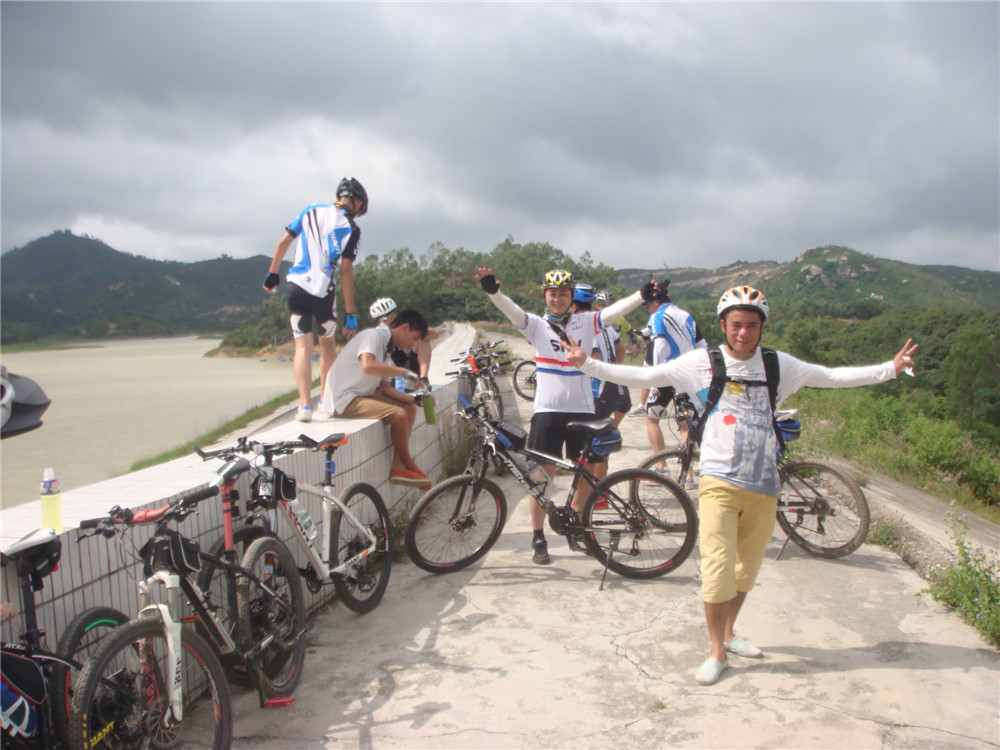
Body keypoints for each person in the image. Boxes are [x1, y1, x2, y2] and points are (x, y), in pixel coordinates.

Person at [563, 284, 918, 686]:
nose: (744, 333)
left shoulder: (777, 365)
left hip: (765, 484)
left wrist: (889, 369)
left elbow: (832, 376)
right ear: (723, 325)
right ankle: (716, 650)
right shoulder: (701, 363)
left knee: (745, 570)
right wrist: (589, 366)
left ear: (762, 327)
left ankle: (730, 633)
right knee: (717, 567)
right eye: (736, 325)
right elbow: (644, 375)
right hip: (718, 480)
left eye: (751, 325)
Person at [475, 267, 654, 565]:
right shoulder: (536, 326)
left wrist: (640, 296)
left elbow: (613, 312)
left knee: (587, 472)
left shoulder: (587, 321)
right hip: (547, 411)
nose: (557, 299)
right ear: (545, 296)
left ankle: (578, 519)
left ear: (571, 296)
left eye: (563, 293)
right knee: (541, 477)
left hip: (582, 410)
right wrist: (494, 292)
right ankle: (538, 536)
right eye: (552, 293)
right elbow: (513, 311)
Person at [263, 177, 368, 423]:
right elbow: (345, 271)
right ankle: (324, 401)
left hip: (296, 286)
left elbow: (283, 242)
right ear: (357, 203)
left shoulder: (310, 210)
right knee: (327, 345)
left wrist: (272, 274)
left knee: (302, 347)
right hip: (323, 292)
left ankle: (304, 406)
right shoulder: (352, 229)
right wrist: (350, 313)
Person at [328, 308, 433, 490]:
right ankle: (409, 465)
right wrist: (402, 372)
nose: (412, 345)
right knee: (399, 415)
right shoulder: (373, 335)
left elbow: (386, 389)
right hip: (343, 400)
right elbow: (368, 366)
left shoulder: (386, 351)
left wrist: (416, 400)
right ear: (405, 328)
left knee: (409, 408)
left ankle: (399, 465)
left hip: (361, 395)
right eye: (414, 338)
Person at [643, 279, 707, 478]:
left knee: (651, 418)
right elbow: (703, 346)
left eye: (647, 305)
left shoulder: (658, 315)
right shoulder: (688, 316)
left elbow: (660, 345)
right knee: (686, 424)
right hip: (688, 375)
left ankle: (661, 466)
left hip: (668, 374)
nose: (648, 309)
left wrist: (654, 376)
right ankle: (688, 473)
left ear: (654, 302)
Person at [369, 297, 440, 390]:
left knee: (421, 338)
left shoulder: (407, 325)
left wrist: (415, 335)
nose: (392, 319)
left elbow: (434, 334)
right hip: (395, 369)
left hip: (412, 364)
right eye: (383, 319)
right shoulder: (380, 335)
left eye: (393, 314)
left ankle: (424, 378)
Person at [592, 290, 633, 428]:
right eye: (603, 305)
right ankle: (606, 429)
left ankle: (612, 427)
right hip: (601, 375)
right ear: (597, 305)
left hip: (611, 369)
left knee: (625, 404)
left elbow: (630, 334)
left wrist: (616, 368)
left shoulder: (618, 319)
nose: (606, 308)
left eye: (610, 305)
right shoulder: (595, 322)